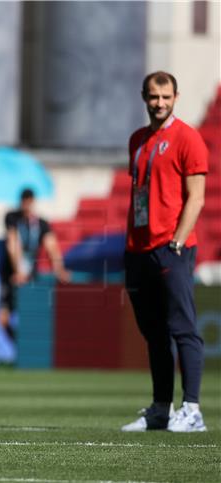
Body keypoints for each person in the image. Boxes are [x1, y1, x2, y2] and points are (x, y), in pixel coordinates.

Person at [121, 71, 208, 433]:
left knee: (182, 328)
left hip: (171, 247)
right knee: (154, 333)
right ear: (144, 97)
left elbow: (197, 196)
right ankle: (161, 408)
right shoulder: (138, 139)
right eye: (154, 97)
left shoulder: (188, 138)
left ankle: (191, 409)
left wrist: (176, 241)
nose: (159, 103)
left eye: (166, 97)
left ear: (176, 97)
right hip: (138, 249)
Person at [0, 188, 70, 338]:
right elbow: (13, 243)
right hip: (11, 273)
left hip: (31, 274)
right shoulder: (12, 218)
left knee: (30, 314)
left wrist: (59, 268)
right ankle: (17, 344)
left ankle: (26, 347)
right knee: (3, 318)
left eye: (29, 201)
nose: (27, 204)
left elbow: (52, 247)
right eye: (25, 200)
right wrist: (18, 271)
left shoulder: (41, 224)